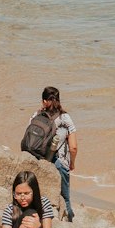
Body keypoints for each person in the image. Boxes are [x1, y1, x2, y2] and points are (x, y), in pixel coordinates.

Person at [37, 86, 77, 220]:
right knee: (65, 197)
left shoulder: (37, 115)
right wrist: (72, 163)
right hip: (59, 162)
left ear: (43, 101)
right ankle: (69, 220)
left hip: (39, 161)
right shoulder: (65, 118)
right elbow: (73, 147)